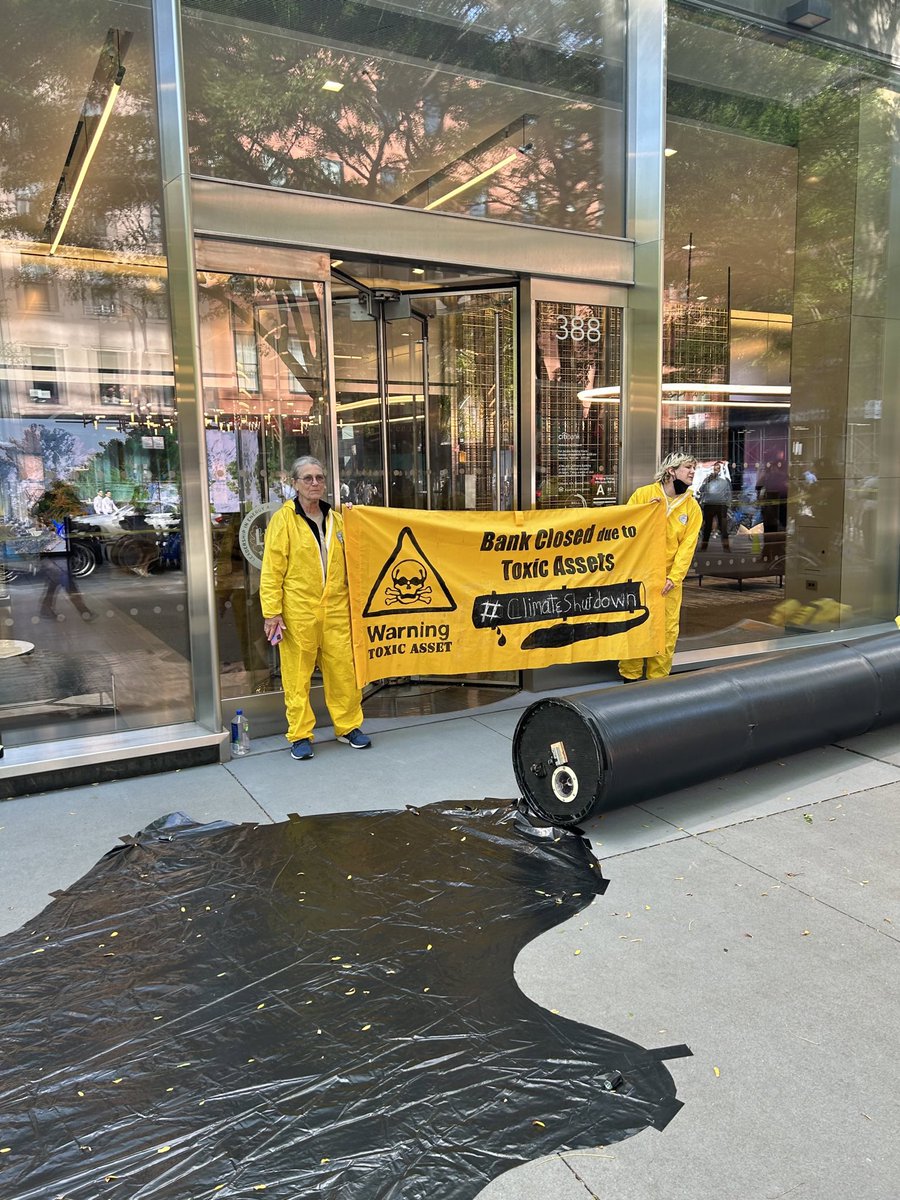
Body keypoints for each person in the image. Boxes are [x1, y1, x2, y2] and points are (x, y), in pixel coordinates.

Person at [260, 455, 371, 760]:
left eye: (319, 478)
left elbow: (356, 559)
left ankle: (348, 726)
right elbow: (271, 571)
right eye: (307, 478)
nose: (314, 483)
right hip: (298, 611)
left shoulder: (337, 519)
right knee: (297, 675)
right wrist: (272, 612)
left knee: (343, 671)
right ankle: (299, 734)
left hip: (336, 608)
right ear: (294, 484)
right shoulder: (284, 520)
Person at [618, 452, 702, 682]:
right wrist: (646, 512)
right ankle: (631, 677)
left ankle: (658, 679)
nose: (692, 472)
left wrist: (674, 578)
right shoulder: (643, 495)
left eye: (694, 468)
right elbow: (625, 530)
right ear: (671, 471)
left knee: (666, 630)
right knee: (635, 625)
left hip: (668, 580)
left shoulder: (692, 508)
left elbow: (687, 547)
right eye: (687, 467)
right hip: (639, 576)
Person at [698, 461, 732, 551]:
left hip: (720, 505)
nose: (716, 470)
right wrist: (707, 480)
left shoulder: (724, 481)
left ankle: (726, 547)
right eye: (715, 468)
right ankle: (704, 547)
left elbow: (728, 493)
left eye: (717, 468)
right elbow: (701, 490)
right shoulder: (708, 480)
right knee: (708, 527)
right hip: (711, 505)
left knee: (722, 527)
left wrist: (727, 504)